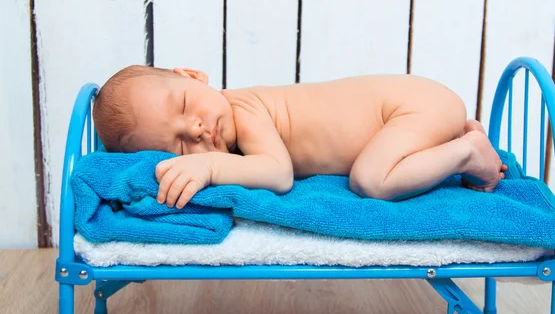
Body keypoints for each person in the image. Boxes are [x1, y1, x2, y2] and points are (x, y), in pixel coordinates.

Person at [93, 65, 507, 209]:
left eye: (184, 106)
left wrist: (209, 165)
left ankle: (468, 150)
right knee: (379, 166)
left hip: (410, 106)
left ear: (193, 76)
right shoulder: (231, 124)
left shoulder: (243, 107)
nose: (197, 130)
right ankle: (455, 135)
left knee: (371, 180)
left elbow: (278, 174)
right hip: (417, 110)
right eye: (180, 145)